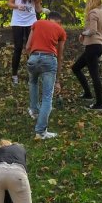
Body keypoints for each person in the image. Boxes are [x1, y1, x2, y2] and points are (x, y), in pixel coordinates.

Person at [25, 11, 66, 140]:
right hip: (49, 60)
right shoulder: (61, 31)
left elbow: (27, 46)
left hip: (33, 58)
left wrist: (32, 58)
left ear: (48, 19)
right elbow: (60, 56)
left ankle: (34, 110)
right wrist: (57, 79)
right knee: (47, 97)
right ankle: (41, 132)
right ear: (59, 22)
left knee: (33, 82)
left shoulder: (37, 23)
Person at [71, 0, 102, 110]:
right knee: (76, 67)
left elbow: (92, 30)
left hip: (92, 46)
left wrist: (83, 33)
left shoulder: (93, 13)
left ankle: (99, 104)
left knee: (94, 75)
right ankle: (88, 94)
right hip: (99, 45)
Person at [8, 0, 43, 84]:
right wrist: (18, 6)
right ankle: (14, 75)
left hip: (31, 21)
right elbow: (10, 3)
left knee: (31, 48)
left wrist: (44, 10)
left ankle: (32, 75)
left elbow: (37, 7)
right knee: (18, 47)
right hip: (18, 21)